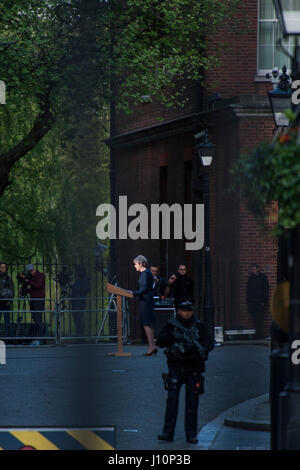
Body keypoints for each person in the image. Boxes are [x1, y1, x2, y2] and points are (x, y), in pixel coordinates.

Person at [156, 301, 214, 443]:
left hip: (193, 368)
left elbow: (209, 342)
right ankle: (168, 432)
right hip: (176, 367)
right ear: (179, 311)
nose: (187, 313)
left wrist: (200, 351)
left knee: (192, 402)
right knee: (172, 401)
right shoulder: (172, 325)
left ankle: (191, 434)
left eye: (189, 310)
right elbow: (161, 341)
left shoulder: (198, 326)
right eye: (184, 310)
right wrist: (173, 336)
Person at [131, 255, 156, 356]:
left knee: (146, 324)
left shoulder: (145, 273)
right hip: (147, 300)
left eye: (135, 264)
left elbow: (144, 288)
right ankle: (152, 346)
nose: (134, 266)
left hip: (146, 301)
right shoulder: (145, 273)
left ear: (140, 263)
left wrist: (133, 293)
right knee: (149, 324)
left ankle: (151, 347)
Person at [20, 264, 46, 344]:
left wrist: (28, 281)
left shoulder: (40, 276)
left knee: (38, 319)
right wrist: (25, 291)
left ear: (34, 269)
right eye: (29, 271)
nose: (31, 272)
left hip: (38, 300)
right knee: (35, 319)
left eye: (31, 271)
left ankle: (40, 338)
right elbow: (32, 289)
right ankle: (38, 337)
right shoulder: (33, 277)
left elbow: (38, 285)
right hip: (33, 300)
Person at [246, 263, 269, 339]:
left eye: (254, 269)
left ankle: (260, 335)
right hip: (252, 302)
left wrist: (263, 301)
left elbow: (266, 290)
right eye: (252, 269)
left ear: (258, 269)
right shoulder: (250, 278)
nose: (253, 270)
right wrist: (248, 301)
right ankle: (257, 335)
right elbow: (248, 290)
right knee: (254, 319)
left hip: (259, 302)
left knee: (258, 318)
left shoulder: (263, 278)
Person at [71, 265, 90, 338]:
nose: (76, 272)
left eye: (77, 271)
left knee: (79, 319)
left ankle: (80, 336)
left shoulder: (85, 279)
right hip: (75, 302)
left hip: (80, 302)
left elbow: (84, 289)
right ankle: (78, 335)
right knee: (76, 319)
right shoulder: (78, 279)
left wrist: (73, 285)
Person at [0, 262, 14, 336]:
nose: (3, 269)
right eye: (1, 267)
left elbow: (12, 290)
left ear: (6, 268)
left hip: (6, 303)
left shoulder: (9, 279)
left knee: (7, 321)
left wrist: (10, 300)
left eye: (4, 267)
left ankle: (8, 338)